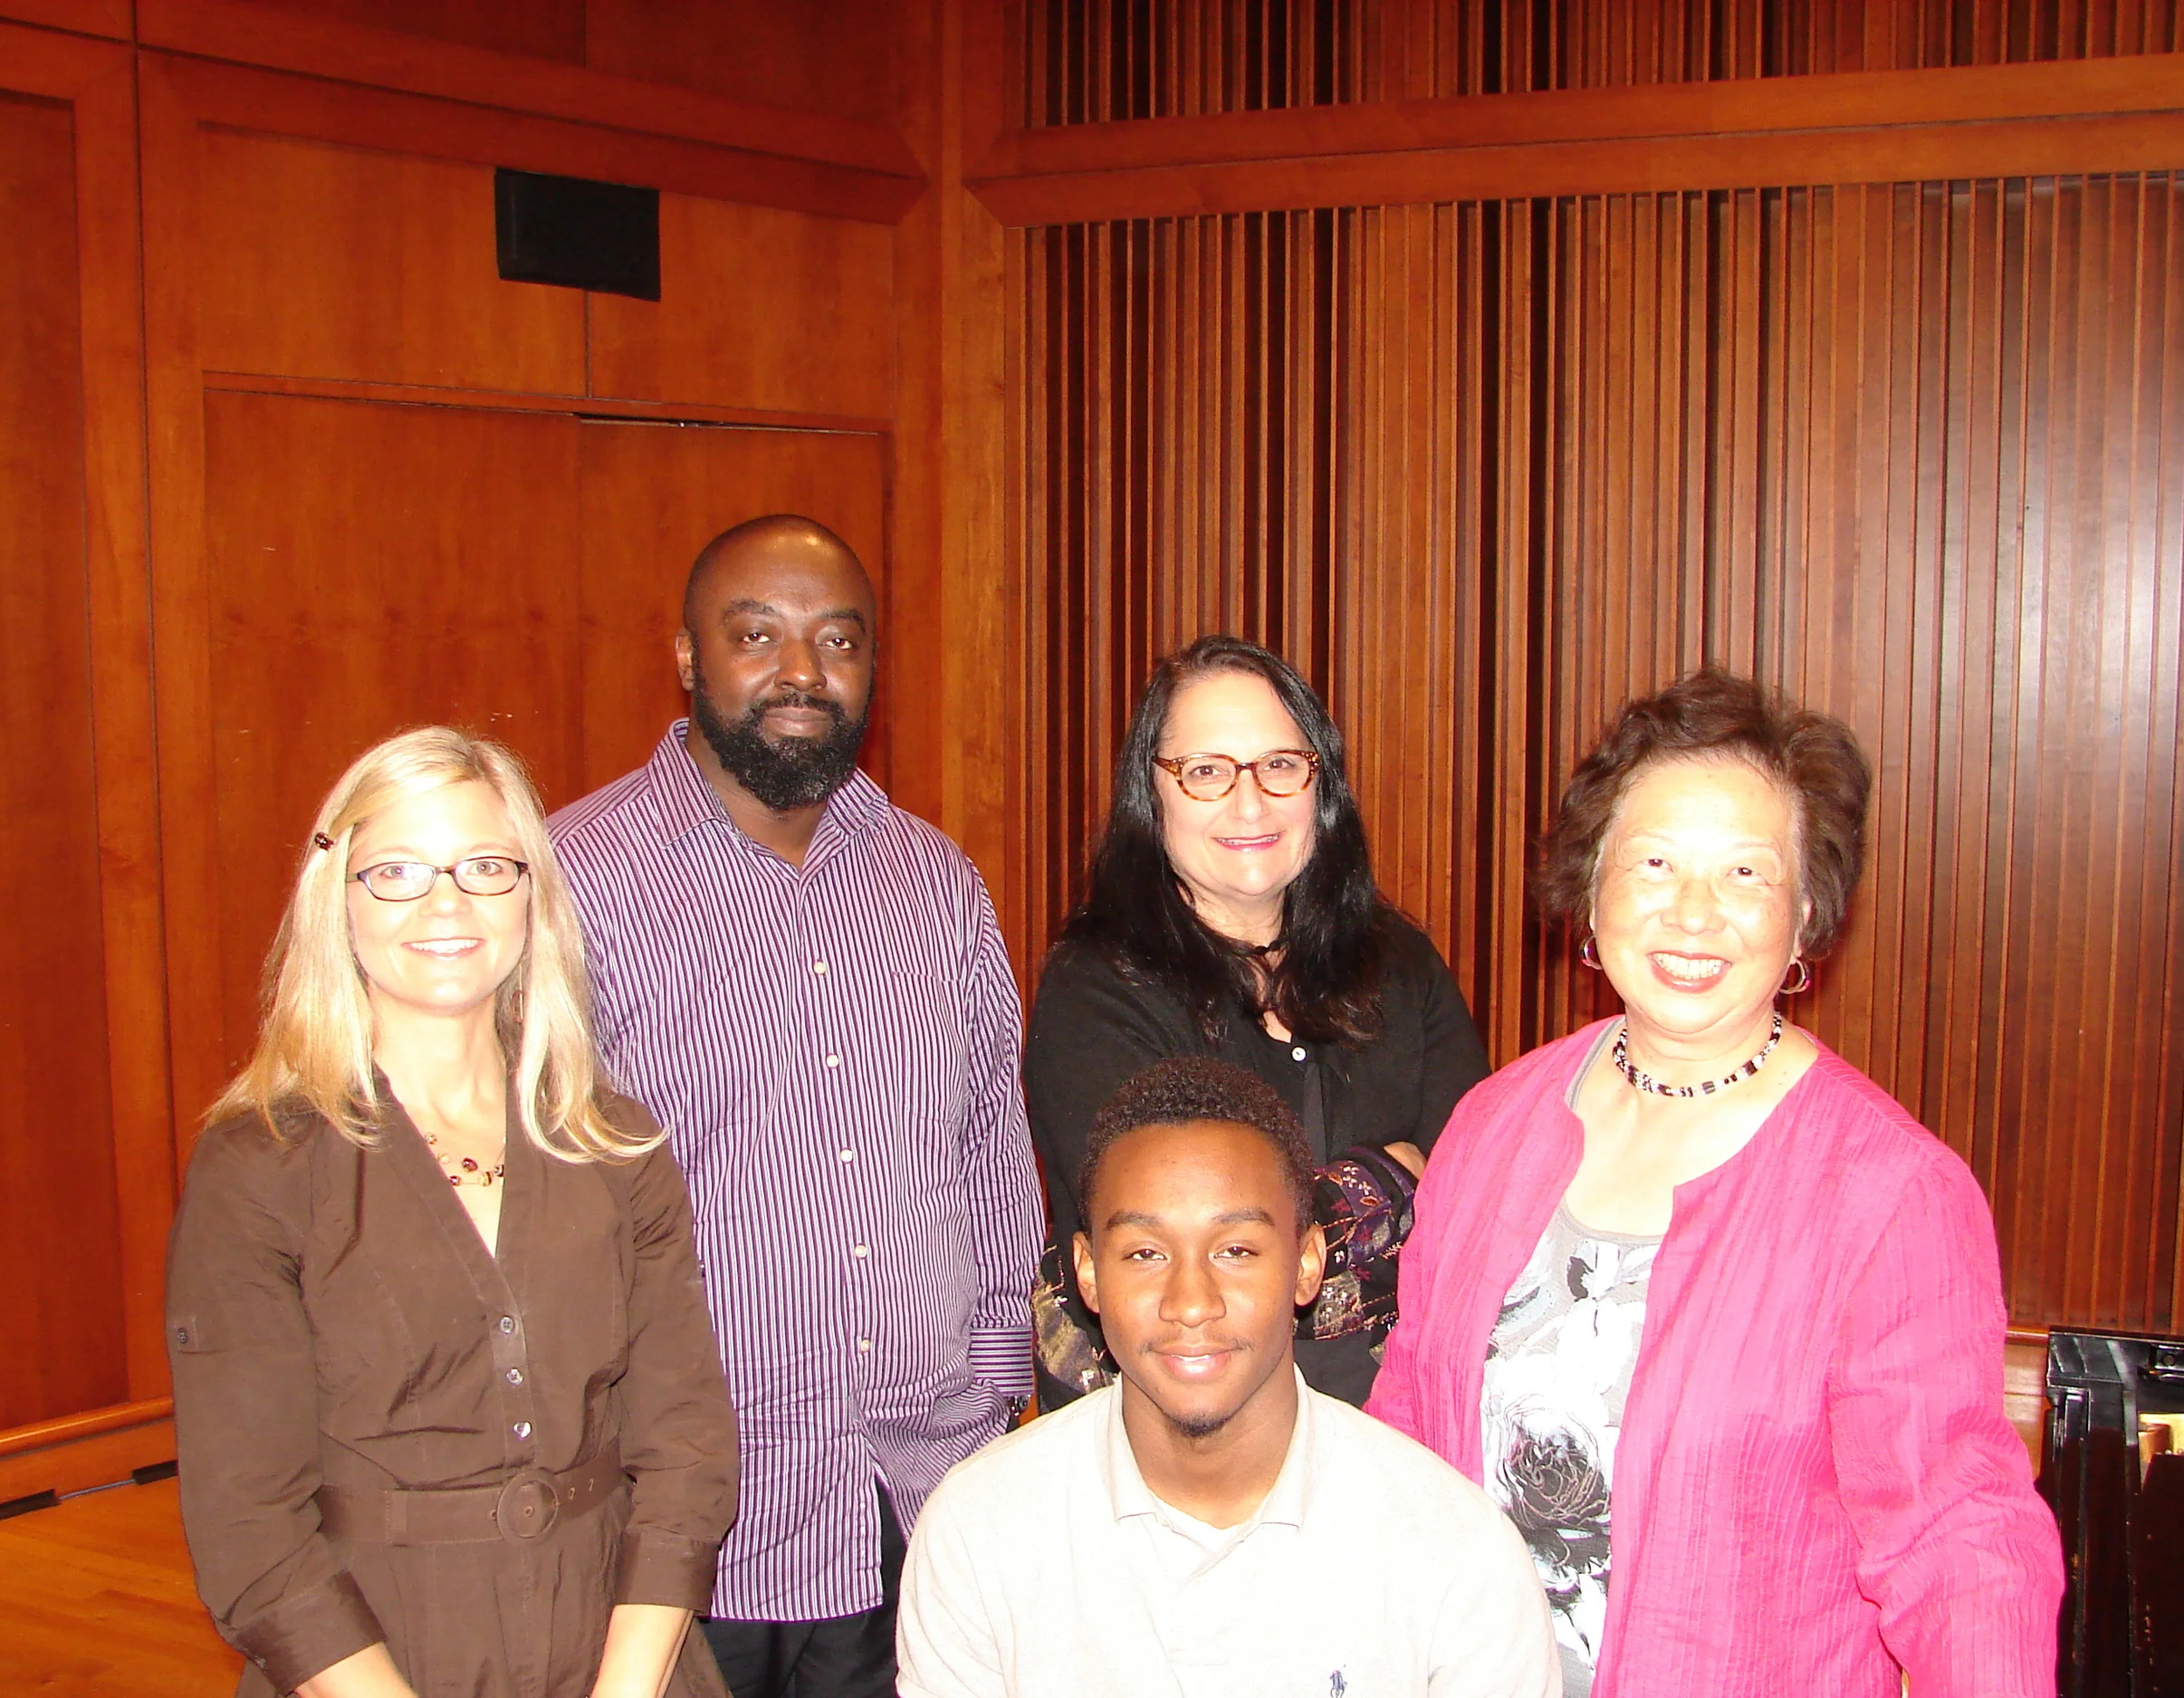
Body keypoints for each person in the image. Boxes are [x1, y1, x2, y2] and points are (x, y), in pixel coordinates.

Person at [1370, 667, 2064, 1697]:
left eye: (1745, 875)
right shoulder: (1494, 1125)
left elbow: (1958, 1531)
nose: (1693, 913)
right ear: (1591, 896)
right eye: (1652, 863)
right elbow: (1407, 1432)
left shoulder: (1888, 1192)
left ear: (1804, 921)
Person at [550, 514, 1044, 1698]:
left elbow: (992, 1151)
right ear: (686, 656)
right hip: (685, 1526)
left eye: (838, 639)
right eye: (756, 633)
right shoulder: (578, 881)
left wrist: (988, 1389)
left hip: (912, 1495)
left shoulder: (937, 881)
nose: (802, 672)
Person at [168, 727, 738, 1698]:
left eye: (483, 865)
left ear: (530, 896)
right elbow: (250, 1528)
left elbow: (684, 1449)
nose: (447, 903)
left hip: (620, 1654)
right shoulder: (258, 1165)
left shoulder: (614, 1143)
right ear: (338, 901)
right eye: (396, 870)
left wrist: (625, 1690)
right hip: (377, 1658)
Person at [896, 1055, 1560, 1698]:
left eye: (1236, 1250)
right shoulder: (981, 1527)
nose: (1191, 1301)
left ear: (1305, 1265)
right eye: (1146, 1252)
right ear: (1089, 1273)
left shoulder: (1453, 1552)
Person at [1025, 634, 1490, 1408]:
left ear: (1321, 783)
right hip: (1162, 1439)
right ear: (1153, 791)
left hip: (1388, 1425)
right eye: (1206, 771)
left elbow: (1474, 1192)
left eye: (1280, 765)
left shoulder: (1397, 958)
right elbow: (1183, 1250)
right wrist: (1384, 1175)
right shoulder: (1096, 986)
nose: (1251, 803)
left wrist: (1308, 1210)